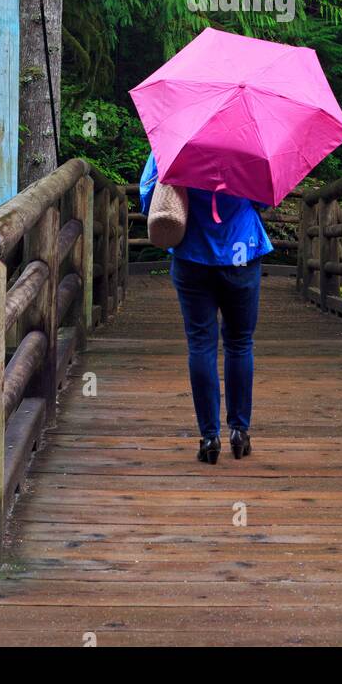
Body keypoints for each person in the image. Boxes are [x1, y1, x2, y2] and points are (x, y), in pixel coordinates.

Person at [140, 151, 273, 464]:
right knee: (240, 343)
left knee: (201, 344)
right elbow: (265, 199)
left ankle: (209, 437)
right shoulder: (251, 144)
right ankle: (239, 431)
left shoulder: (175, 138)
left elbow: (149, 197)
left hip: (192, 253)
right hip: (242, 250)